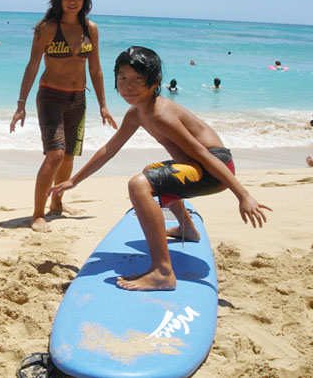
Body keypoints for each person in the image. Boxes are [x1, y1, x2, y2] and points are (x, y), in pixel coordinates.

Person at [48, 46, 271, 291]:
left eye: (137, 79)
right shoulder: (136, 114)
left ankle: (163, 272)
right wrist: (74, 180)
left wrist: (242, 195)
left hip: (214, 168)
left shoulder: (161, 114)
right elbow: (109, 150)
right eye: (122, 78)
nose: (128, 86)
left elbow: (201, 154)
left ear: (155, 82)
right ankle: (187, 228)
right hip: (198, 166)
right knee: (150, 172)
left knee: (139, 183)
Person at [9, 0, 116, 233]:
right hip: (50, 97)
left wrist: (103, 104)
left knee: (68, 156)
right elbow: (33, 66)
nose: (72, 1)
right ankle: (37, 214)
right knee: (55, 154)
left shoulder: (91, 29)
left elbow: (96, 70)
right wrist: (21, 104)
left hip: (78, 98)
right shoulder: (47, 28)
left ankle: (57, 203)